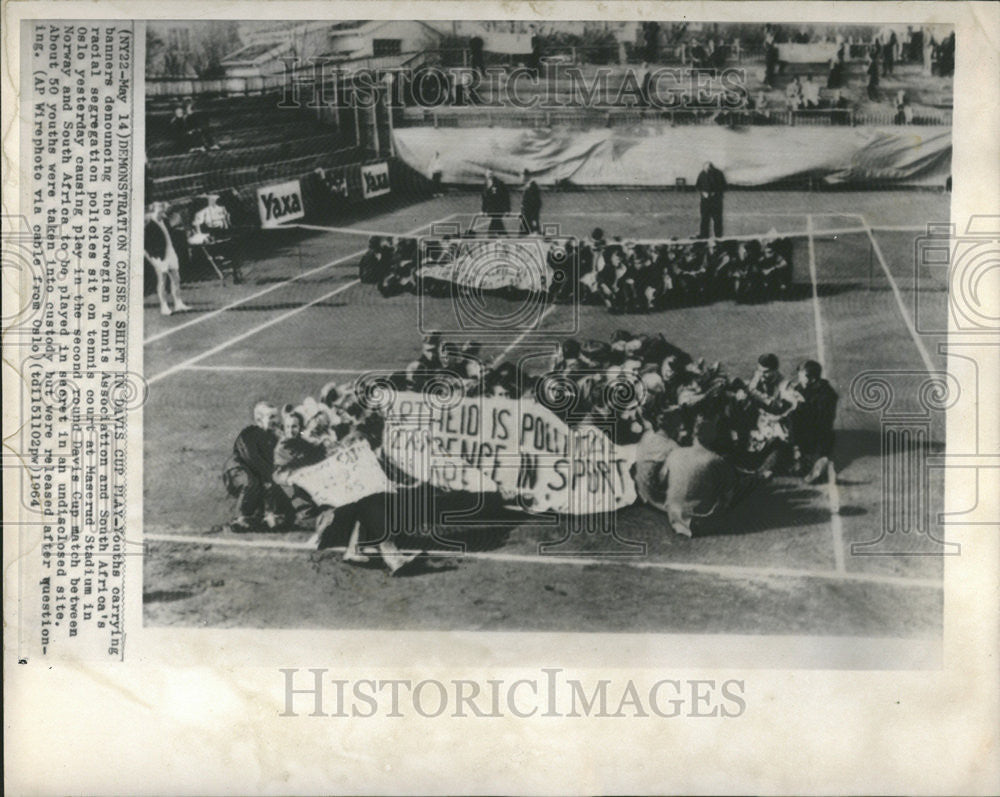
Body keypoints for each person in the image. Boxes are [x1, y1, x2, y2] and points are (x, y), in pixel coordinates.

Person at [223, 401, 293, 532]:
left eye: (277, 416)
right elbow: (254, 460)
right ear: (259, 420)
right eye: (271, 417)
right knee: (252, 482)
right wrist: (271, 478)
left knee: (287, 511)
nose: (276, 420)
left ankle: (264, 516)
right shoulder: (249, 435)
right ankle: (241, 517)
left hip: (261, 474)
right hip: (237, 472)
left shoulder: (278, 434)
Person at [787, 359, 838, 484]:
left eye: (801, 375)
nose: (798, 378)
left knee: (794, 416)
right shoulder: (801, 386)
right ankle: (802, 457)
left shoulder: (826, 395)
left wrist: (801, 406)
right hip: (804, 428)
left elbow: (823, 421)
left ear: (812, 379)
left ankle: (815, 460)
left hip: (816, 431)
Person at [143, 201, 191, 316]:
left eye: (162, 207)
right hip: (158, 255)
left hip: (170, 252)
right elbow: (143, 245)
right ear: (153, 209)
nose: (162, 209)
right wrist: (151, 260)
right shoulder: (148, 222)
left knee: (176, 278)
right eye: (159, 207)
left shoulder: (164, 220)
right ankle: (164, 307)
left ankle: (178, 303)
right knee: (162, 280)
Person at [695, 161, 726, 239]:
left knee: (717, 219)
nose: (706, 171)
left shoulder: (719, 174)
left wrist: (715, 193)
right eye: (705, 169)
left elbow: (724, 186)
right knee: (704, 219)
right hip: (705, 201)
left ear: (712, 168)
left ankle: (718, 236)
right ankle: (704, 235)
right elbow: (698, 186)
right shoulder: (702, 174)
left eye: (708, 169)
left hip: (716, 201)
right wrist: (703, 193)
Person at [481, 172, 510, 236]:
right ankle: (504, 236)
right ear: (486, 175)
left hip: (498, 209)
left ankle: (491, 237)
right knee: (498, 224)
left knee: (494, 223)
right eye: (488, 174)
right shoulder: (485, 184)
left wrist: (507, 210)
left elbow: (506, 197)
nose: (489, 175)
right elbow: (484, 199)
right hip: (491, 209)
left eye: (491, 173)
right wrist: (483, 210)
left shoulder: (499, 183)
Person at [520, 169, 542, 233]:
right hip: (526, 216)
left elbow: (536, 204)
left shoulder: (533, 187)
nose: (521, 178)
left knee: (531, 234)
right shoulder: (527, 186)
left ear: (526, 176)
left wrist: (534, 218)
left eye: (522, 176)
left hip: (530, 217)